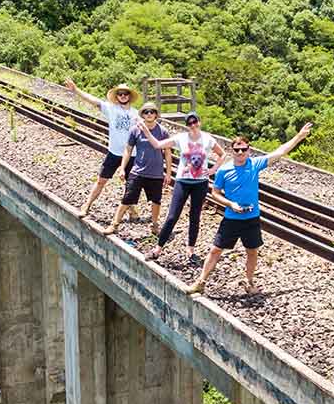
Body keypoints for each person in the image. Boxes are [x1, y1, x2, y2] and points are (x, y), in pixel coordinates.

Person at [188, 123, 313, 296]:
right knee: (215, 249)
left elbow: (280, 152)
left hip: (251, 218)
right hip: (231, 218)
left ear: (249, 150)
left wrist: (299, 136)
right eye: (237, 150)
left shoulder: (255, 164)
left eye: (243, 149)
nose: (240, 153)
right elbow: (215, 193)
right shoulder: (224, 170)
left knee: (252, 251)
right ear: (231, 151)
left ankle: (249, 282)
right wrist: (231, 204)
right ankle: (201, 282)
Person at [136, 112, 224, 265]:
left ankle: (190, 250)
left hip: (201, 183)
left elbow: (222, 154)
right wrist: (145, 130)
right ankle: (157, 249)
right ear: (187, 125)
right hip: (183, 181)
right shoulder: (181, 138)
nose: (193, 125)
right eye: (189, 123)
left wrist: (213, 170)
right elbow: (157, 144)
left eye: (195, 121)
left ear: (199, 122)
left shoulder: (208, 139)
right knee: (172, 216)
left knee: (194, 217)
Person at [63, 78, 141, 219]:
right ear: (116, 96)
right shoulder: (111, 108)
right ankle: (86, 205)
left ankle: (131, 209)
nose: (123, 96)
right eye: (120, 94)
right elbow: (93, 100)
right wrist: (76, 90)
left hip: (132, 154)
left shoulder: (136, 113)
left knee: (130, 185)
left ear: (129, 96)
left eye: (125, 93)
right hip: (114, 152)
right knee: (101, 181)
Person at [105, 102, 170, 236]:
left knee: (156, 200)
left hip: (156, 173)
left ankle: (155, 225)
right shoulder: (135, 130)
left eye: (152, 112)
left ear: (156, 114)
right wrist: (122, 168)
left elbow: (168, 153)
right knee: (127, 198)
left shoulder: (163, 131)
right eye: (146, 112)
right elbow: (128, 150)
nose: (149, 114)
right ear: (142, 114)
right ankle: (114, 224)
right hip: (138, 171)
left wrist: (168, 173)